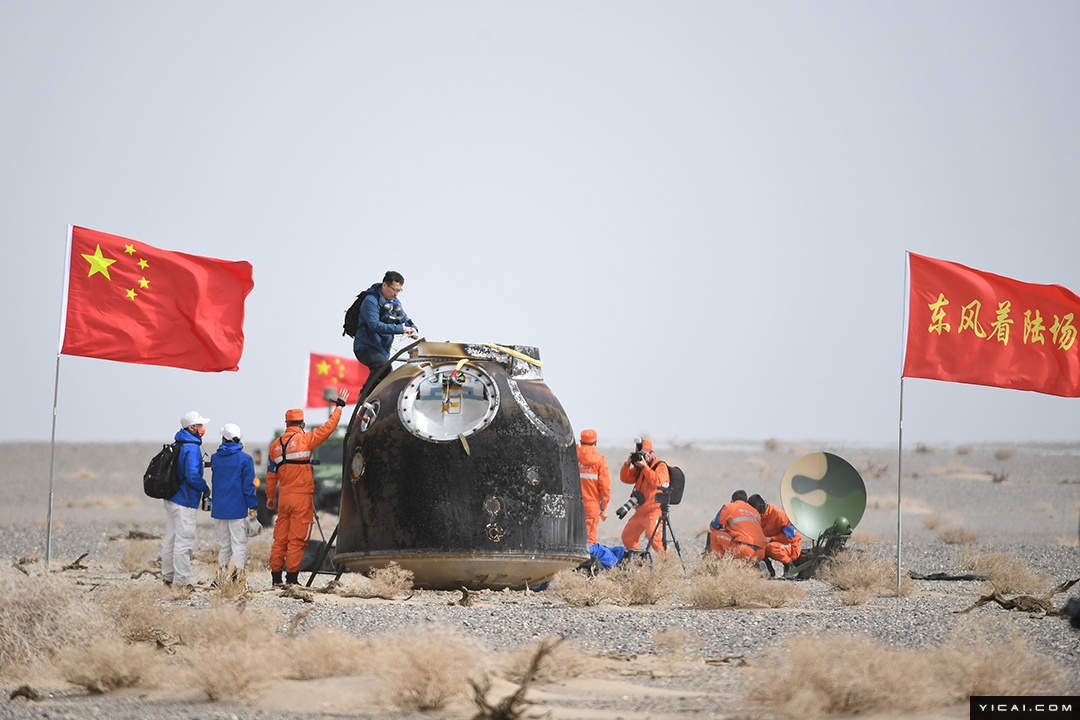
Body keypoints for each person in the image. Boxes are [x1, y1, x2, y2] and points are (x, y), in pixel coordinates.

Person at [267, 388, 349, 586]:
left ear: (286, 424)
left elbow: (271, 475)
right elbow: (328, 428)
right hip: (301, 497)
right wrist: (339, 408)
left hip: (284, 498)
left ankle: (276, 578)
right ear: (302, 424)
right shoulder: (305, 439)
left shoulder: (275, 446)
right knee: (297, 539)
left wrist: (271, 497)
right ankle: (292, 579)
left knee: (280, 540)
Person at [161, 410, 211, 589]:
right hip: (184, 501)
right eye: (200, 426)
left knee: (172, 539)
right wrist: (205, 489)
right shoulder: (191, 447)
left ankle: (168, 578)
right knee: (184, 542)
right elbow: (191, 476)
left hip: (172, 499)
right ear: (192, 427)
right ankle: (182, 582)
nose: (202, 429)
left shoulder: (180, 443)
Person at [352, 270, 418, 394]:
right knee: (383, 367)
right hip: (366, 347)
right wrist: (401, 329)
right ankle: (364, 395)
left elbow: (404, 319)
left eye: (399, 290)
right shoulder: (370, 301)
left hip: (382, 350)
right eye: (394, 289)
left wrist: (413, 328)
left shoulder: (395, 303)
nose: (396, 293)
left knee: (388, 377)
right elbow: (374, 325)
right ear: (384, 285)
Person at [210, 423, 258, 579]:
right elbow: (248, 487)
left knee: (224, 546)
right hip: (237, 509)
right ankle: (236, 577)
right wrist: (252, 507)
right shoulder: (246, 459)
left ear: (223, 438)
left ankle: (222, 577)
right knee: (239, 544)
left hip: (218, 510)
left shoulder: (215, 458)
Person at [618, 438, 670, 554]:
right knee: (627, 537)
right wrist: (628, 463)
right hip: (640, 511)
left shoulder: (660, 466)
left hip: (654, 510)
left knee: (654, 539)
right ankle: (641, 562)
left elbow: (657, 482)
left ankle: (668, 564)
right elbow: (625, 479)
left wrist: (645, 467)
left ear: (650, 453)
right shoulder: (639, 469)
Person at [748, 493, 802, 575]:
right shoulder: (758, 518)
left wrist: (772, 539)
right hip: (774, 544)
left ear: (761, 508)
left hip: (791, 546)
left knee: (770, 547)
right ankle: (769, 569)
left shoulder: (779, 515)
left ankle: (789, 565)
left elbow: (792, 537)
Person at [709, 489, 767, 563]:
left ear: (732, 501)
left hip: (744, 550)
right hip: (761, 553)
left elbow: (713, 527)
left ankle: (719, 565)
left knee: (714, 535)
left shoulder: (729, 507)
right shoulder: (755, 511)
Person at [577, 429, 611, 545]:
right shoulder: (600, 461)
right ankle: (588, 562)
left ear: (581, 441)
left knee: (572, 535)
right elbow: (605, 487)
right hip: (591, 505)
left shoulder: (573, 456)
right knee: (590, 539)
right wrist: (603, 506)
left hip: (572, 503)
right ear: (595, 443)